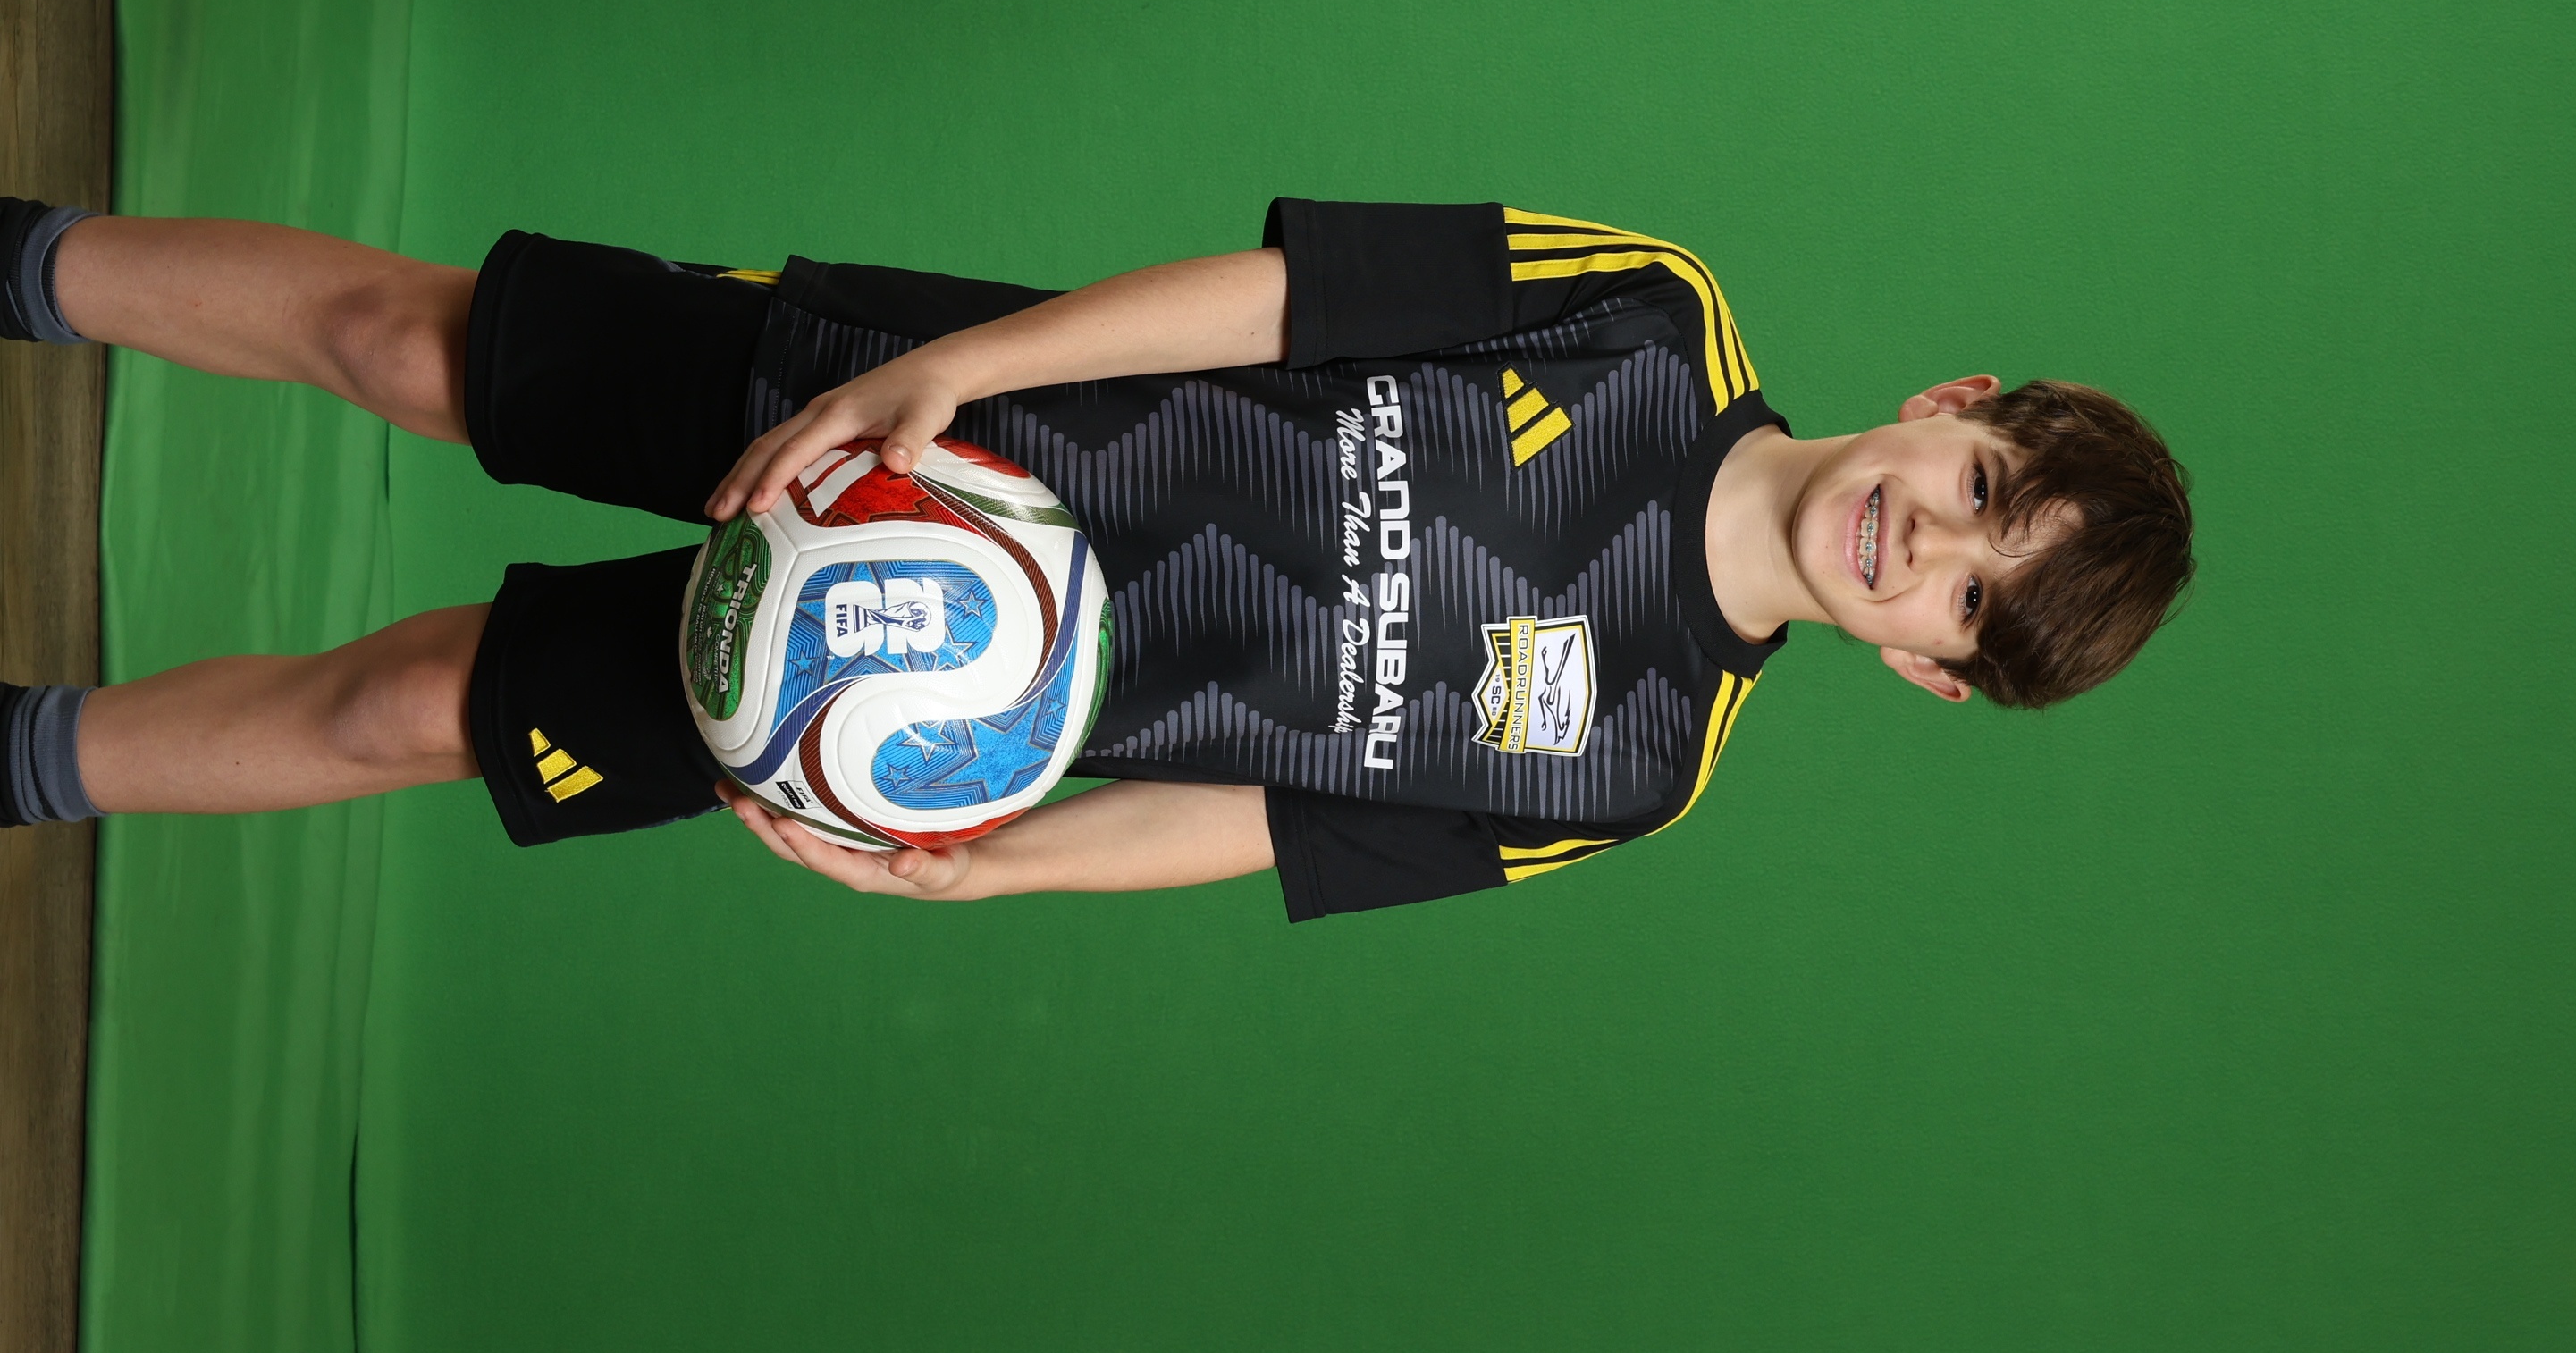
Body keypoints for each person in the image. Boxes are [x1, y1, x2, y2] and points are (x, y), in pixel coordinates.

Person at [0, 196, 2193, 918]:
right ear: (1955, 397)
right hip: (894, 410)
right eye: (1987, 480)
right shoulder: (1647, 310)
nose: (1933, 540)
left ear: (1928, 668)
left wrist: (984, 870)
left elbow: (1269, 819)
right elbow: (1280, 301)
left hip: (885, 687)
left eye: (1969, 598)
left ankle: (30, 758)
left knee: (409, 712)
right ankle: (31, 261)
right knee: (410, 340)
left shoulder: (1635, 767)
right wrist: (946, 369)